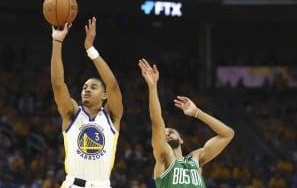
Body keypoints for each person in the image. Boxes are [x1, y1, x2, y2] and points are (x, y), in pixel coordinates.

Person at [138, 58, 234, 188]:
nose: (166, 133)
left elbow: (227, 134)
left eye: (170, 131)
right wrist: (153, 86)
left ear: (181, 139)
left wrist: (197, 112)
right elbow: (157, 122)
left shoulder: (196, 158)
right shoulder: (165, 157)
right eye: (164, 133)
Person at [51, 17, 123, 188]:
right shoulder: (72, 113)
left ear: (104, 95)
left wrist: (91, 50)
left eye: (93, 87)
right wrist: (57, 41)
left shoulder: (112, 116)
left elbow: (113, 85)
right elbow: (58, 84)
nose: (87, 89)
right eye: (84, 87)